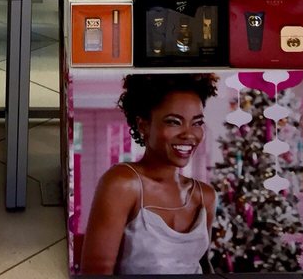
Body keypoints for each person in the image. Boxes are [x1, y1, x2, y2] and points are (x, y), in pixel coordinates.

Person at [80, 74, 218, 276]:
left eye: (197, 123)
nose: (189, 134)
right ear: (143, 125)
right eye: (174, 122)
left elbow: (205, 267)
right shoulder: (122, 183)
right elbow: (96, 273)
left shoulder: (205, 196)